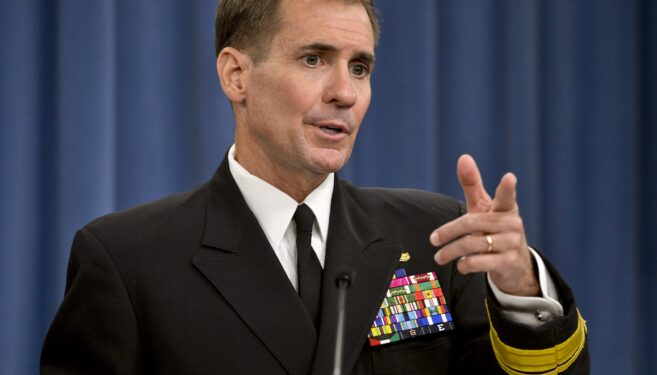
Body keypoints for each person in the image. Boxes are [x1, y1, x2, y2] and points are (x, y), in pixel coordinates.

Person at [41, 0, 589, 373]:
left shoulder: (435, 237)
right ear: (237, 76)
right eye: (314, 59)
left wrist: (519, 289)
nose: (344, 93)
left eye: (359, 67)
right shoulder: (129, 259)